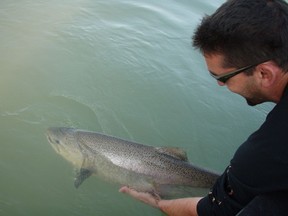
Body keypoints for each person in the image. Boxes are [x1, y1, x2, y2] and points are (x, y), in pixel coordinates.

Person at [120, 0, 288, 215]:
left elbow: (207, 211)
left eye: (223, 77)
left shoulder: (267, 149)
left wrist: (159, 204)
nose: (219, 84)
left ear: (264, 74)